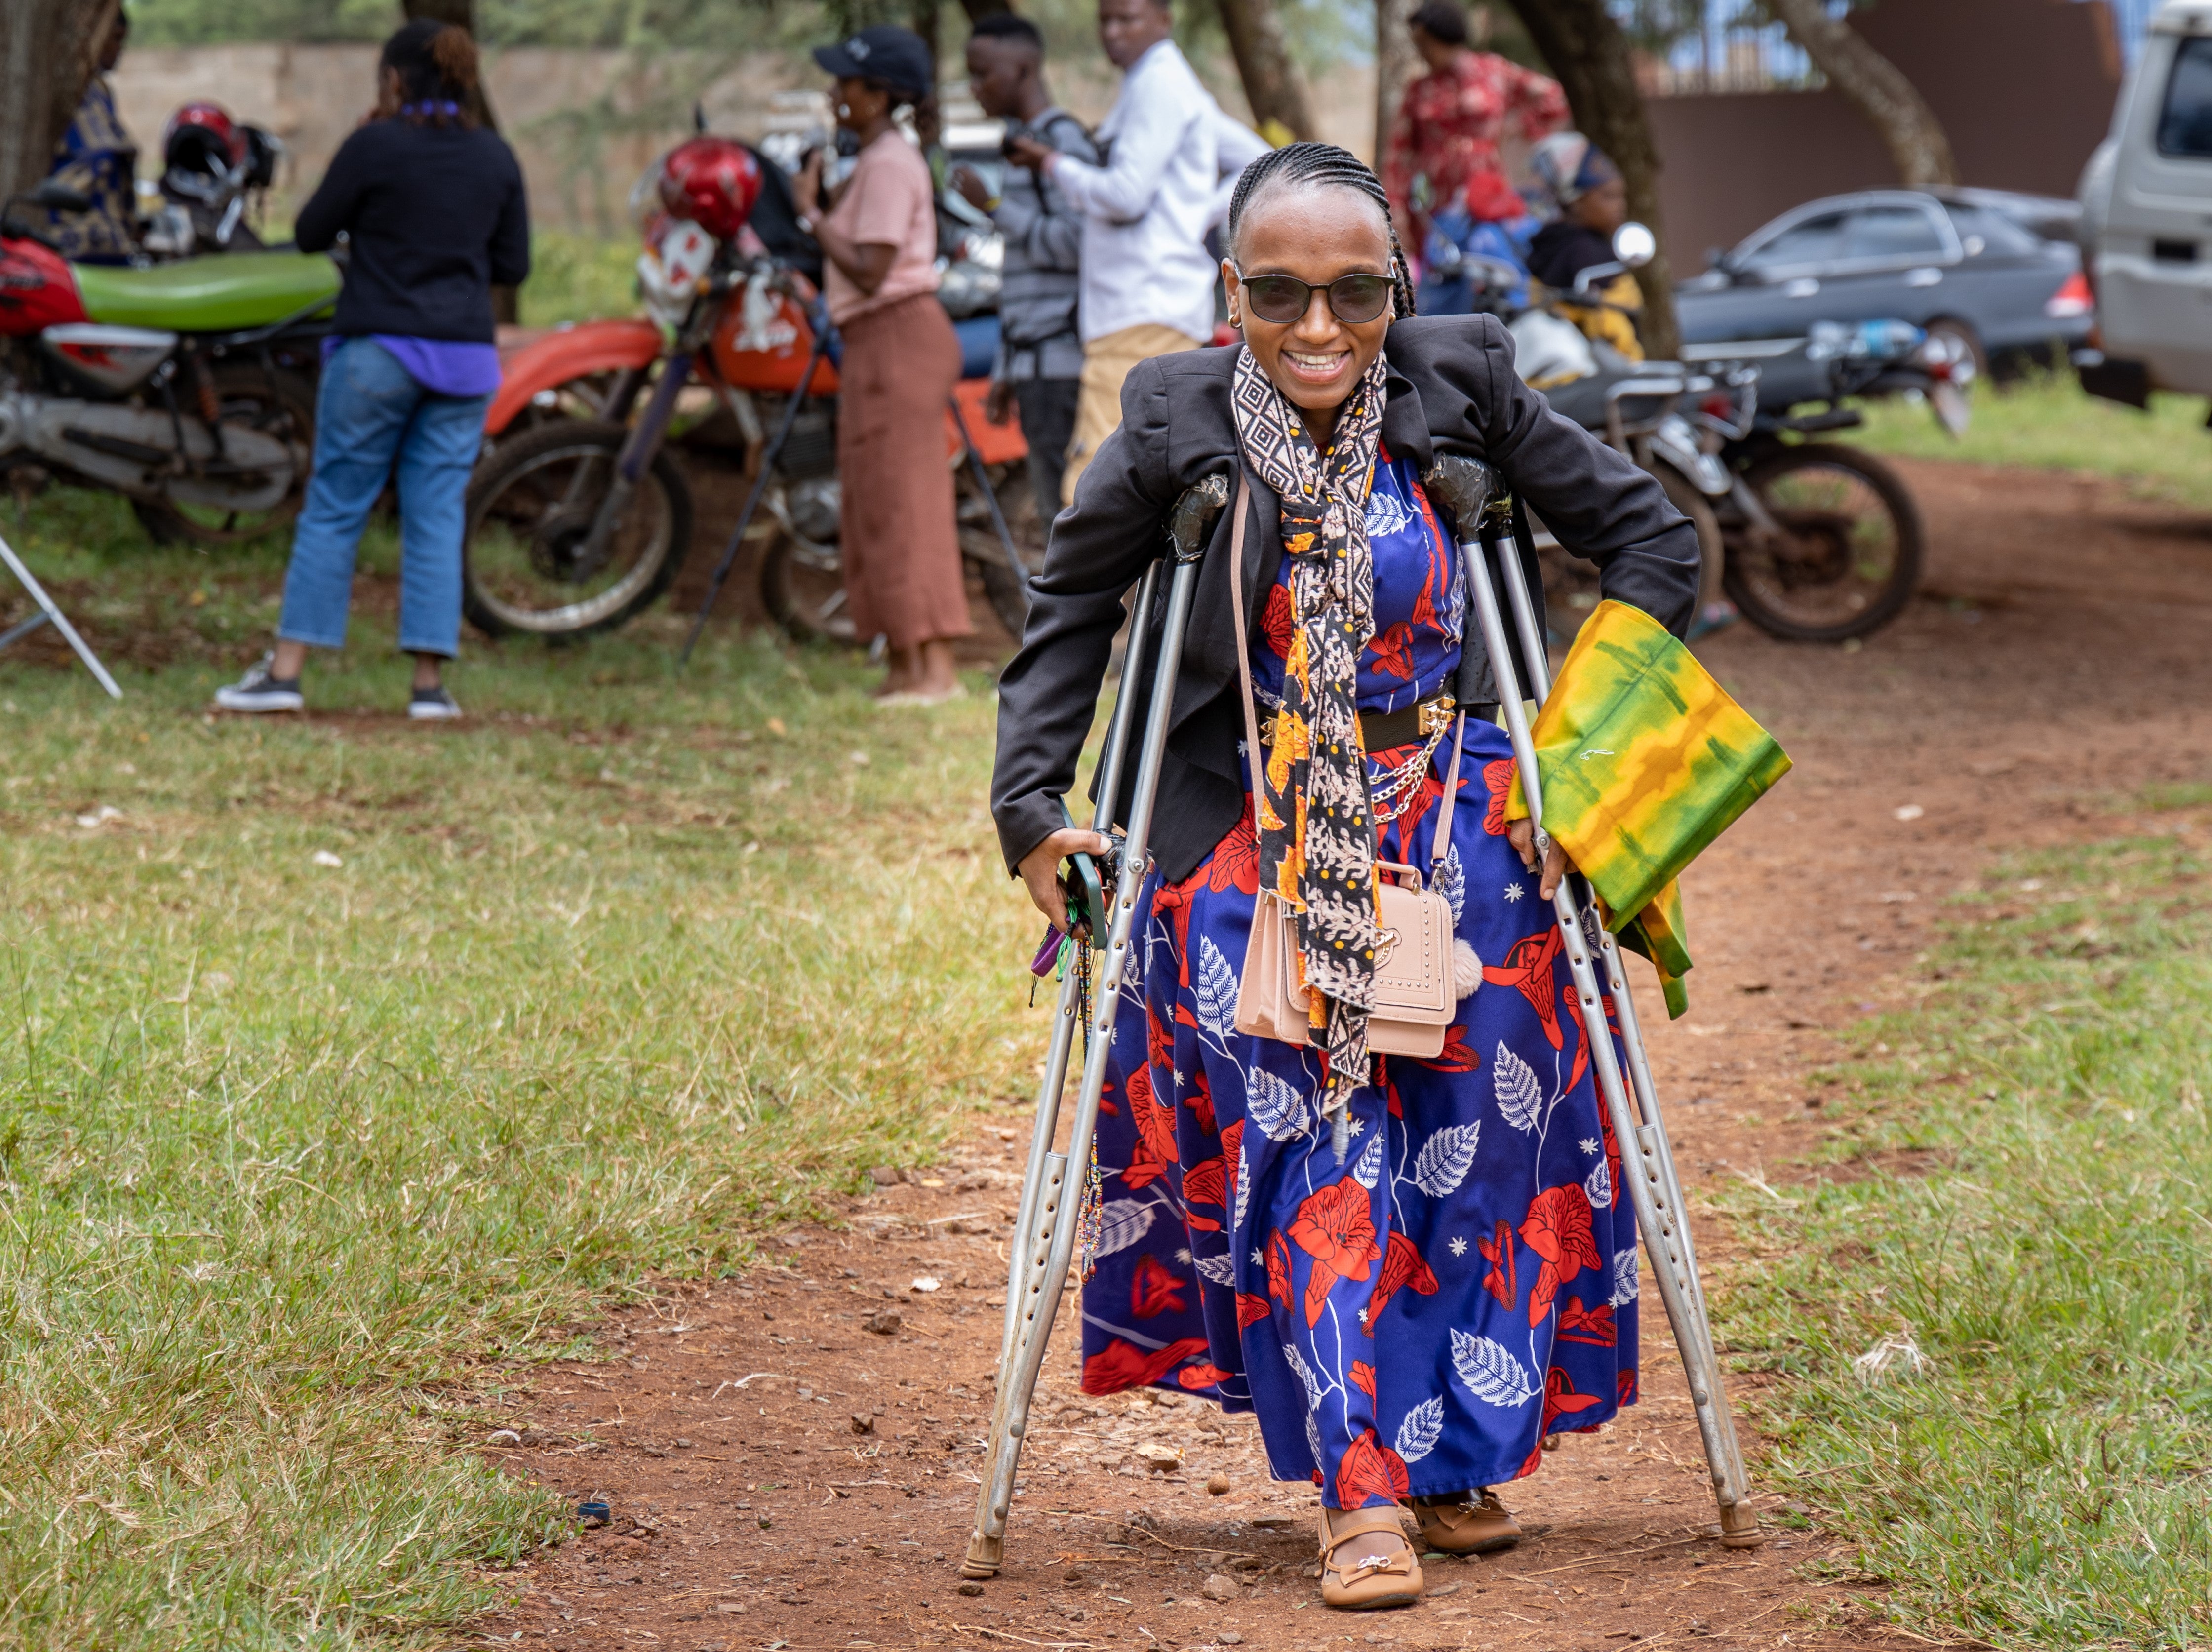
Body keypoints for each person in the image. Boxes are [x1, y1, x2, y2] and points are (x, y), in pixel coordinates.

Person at [990, 144, 1699, 1611]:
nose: (1316, 329)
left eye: (1351, 294)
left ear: (1398, 287)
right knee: (1312, 1145)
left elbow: (1648, 540)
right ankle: (1358, 1485)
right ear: (1226, 290)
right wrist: (1028, 806)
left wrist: (1579, 757)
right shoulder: (1173, 419)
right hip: (1254, 830)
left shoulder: (1457, 388)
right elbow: (1069, 608)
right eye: (1278, 295)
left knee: (1466, 1149)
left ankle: (1443, 1454)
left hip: (1460, 817)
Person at [216, 20, 528, 720]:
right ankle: (428, 689)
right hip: (465, 360)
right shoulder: (496, 158)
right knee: (437, 513)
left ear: (393, 81)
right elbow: (513, 267)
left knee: (336, 506)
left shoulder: (375, 146)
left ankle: (287, 674)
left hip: (379, 350)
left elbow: (308, 233)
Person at [1004, 0, 1266, 506]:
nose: (1114, 32)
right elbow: (1257, 159)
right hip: (1152, 303)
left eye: (1128, 19)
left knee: (1095, 489)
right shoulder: (1163, 82)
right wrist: (1195, 216)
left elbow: (1126, 197)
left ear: (1163, 20)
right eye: (1105, 20)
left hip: (1137, 308)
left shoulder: (1159, 82)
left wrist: (1051, 163)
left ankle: (1102, 590)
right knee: (1148, 474)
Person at [792, 25, 972, 705]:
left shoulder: (892, 162)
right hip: (875, 341)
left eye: (850, 84)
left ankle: (938, 671)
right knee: (876, 502)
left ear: (883, 95)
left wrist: (811, 212)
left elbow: (870, 269)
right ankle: (905, 661)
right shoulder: (874, 160)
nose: (837, 94)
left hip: (898, 336)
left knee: (908, 505)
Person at [950, 14, 1097, 527]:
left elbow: (1080, 242)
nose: (975, 88)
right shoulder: (1020, 142)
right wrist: (1007, 370)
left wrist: (993, 205)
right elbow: (1025, 273)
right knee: (1055, 508)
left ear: (1024, 67)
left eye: (983, 73)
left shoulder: (1059, 144)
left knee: (1069, 515)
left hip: (1061, 366)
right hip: (1035, 365)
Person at [1381, 0, 1566, 295]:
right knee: (1445, 278)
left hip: (1487, 192)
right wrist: (1396, 210)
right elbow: (1399, 156)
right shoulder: (1419, 90)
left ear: (1443, 36)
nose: (1421, 52)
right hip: (1438, 202)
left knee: (1496, 271)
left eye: (1424, 43)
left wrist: (1516, 128)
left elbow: (1552, 98)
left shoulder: (1493, 71)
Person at [1525, 132, 1642, 361]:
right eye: (1609, 197)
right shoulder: (1585, 252)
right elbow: (1614, 333)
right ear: (1576, 201)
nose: (1621, 206)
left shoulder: (1551, 243)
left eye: (1622, 196)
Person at [40, 6, 138, 263]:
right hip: (63, 245)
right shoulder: (58, 85)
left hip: (111, 243)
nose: (119, 50)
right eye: (115, 38)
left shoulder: (100, 92)